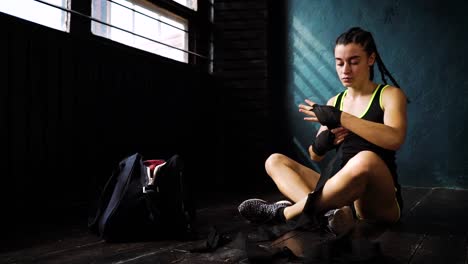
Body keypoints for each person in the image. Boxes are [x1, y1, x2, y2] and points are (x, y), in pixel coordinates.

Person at [238, 27, 408, 232]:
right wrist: (323, 143)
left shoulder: (389, 95)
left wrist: (341, 117)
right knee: (274, 160)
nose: (345, 70)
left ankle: (285, 213)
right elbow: (315, 156)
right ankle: (328, 214)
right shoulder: (335, 101)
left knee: (365, 158)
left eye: (354, 62)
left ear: (371, 59)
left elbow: (395, 138)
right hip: (340, 193)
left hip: (376, 199)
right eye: (339, 63)